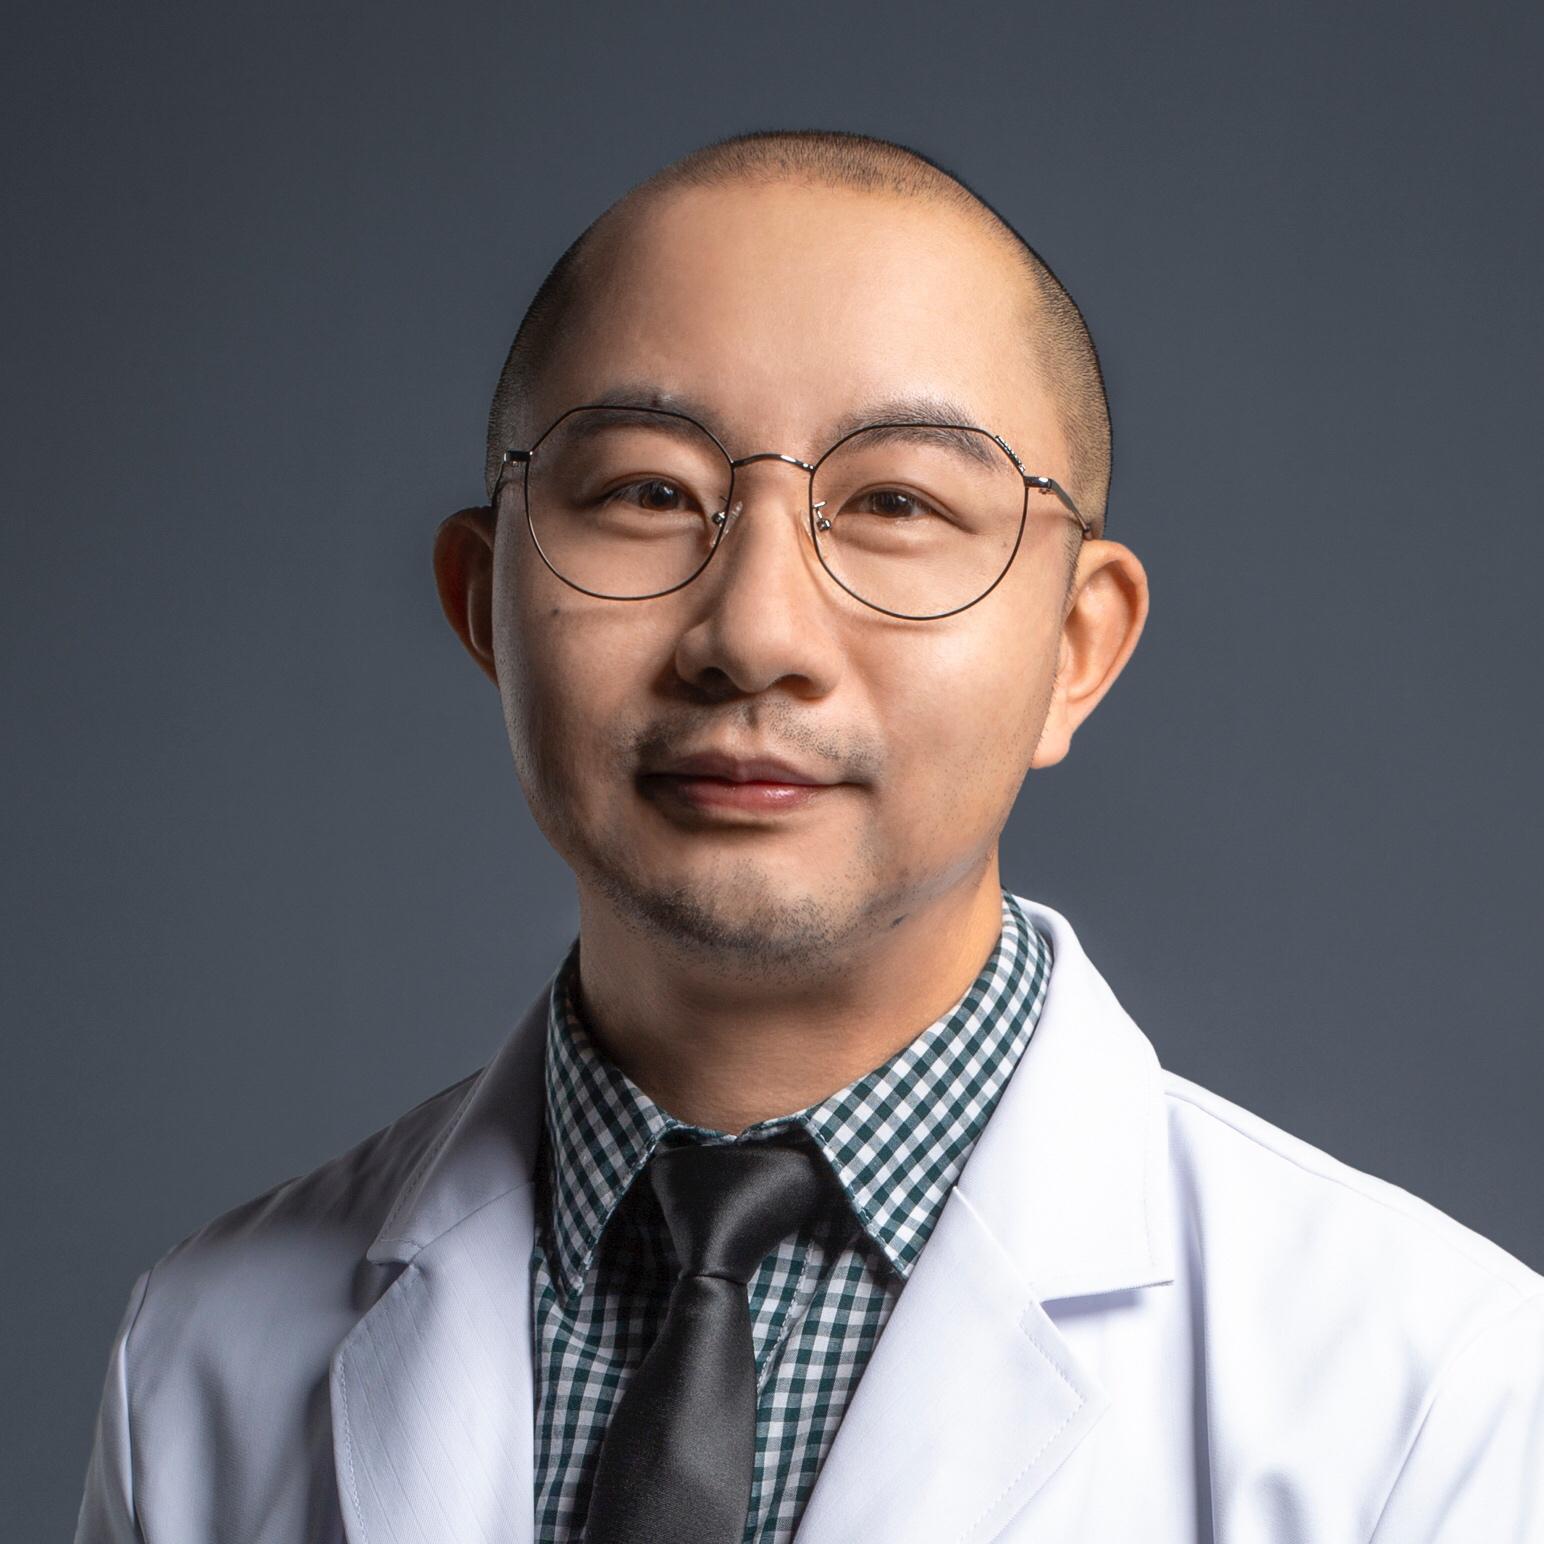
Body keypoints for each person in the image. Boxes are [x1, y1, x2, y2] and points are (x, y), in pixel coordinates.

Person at [75, 128, 1543, 1544]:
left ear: (1076, 648)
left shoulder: (1442, 1397)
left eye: (897, 502)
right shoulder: (201, 1357)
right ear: (483, 604)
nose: (756, 634)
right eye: (648, 492)